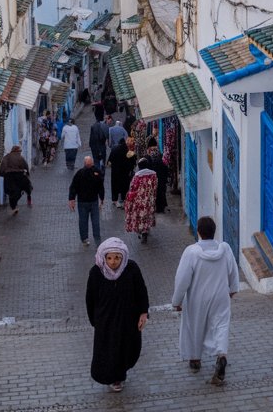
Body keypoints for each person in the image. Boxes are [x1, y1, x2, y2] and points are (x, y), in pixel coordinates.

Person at [171, 216, 239, 386]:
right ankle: (221, 355)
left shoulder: (191, 252)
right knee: (221, 326)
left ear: (199, 232)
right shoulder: (225, 249)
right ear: (214, 231)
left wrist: (177, 301)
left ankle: (195, 360)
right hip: (221, 295)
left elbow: (182, 279)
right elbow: (233, 271)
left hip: (197, 297)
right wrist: (232, 289)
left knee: (195, 326)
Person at [86, 238, 149, 393]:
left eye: (117, 258)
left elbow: (141, 292)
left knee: (126, 348)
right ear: (103, 258)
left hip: (128, 320)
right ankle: (115, 378)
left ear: (123, 257)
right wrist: (95, 321)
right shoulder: (96, 273)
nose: (113, 262)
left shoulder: (131, 269)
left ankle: (120, 373)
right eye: (109, 258)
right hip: (105, 322)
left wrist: (143, 313)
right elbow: (90, 299)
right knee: (109, 350)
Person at [68, 155, 105, 246]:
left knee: (83, 221)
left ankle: (84, 239)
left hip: (82, 202)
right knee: (95, 221)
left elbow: (73, 187)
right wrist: (102, 198)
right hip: (93, 201)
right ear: (92, 163)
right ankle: (97, 240)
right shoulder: (97, 172)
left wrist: (72, 199)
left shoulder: (79, 173)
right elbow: (101, 186)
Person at [124, 157, 157, 242]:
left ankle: (142, 232)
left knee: (141, 216)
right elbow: (155, 187)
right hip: (150, 200)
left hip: (139, 201)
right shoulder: (153, 175)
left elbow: (132, 188)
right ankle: (146, 230)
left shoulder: (137, 176)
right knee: (147, 215)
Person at [0, 145, 32, 215]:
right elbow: (25, 165)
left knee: (11, 192)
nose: (20, 153)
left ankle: (13, 207)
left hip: (9, 176)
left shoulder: (6, 157)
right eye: (20, 151)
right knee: (23, 188)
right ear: (17, 151)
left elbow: (3, 166)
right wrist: (27, 173)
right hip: (19, 175)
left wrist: (2, 174)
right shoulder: (20, 157)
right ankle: (27, 197)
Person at [143, 137, 170, 213]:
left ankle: (154, 207)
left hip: (152, 177)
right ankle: (161, 207)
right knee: (161, 192)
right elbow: (165, 167)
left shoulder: (147, 157)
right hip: (161, 177)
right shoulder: (160, 155)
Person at [108, 137, 135, 208]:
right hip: (124, 172)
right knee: (124, 186)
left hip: (115, 172)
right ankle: (123, 199)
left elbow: (109, 162)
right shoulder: (128, 151)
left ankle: (115, 200)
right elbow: (131, 162)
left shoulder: (114, 149)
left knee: (115, 186)